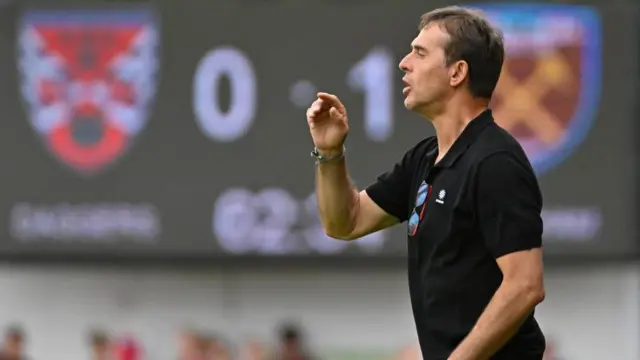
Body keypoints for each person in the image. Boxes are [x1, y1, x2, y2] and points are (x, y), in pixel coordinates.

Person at [306, 6, 546, 360]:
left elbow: (525, 286)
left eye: (419, 52)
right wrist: (330, 153)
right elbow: (346, 222)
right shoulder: (424, 158)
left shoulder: (495, 161)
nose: (404, 63)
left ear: (457, 72)